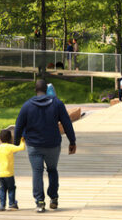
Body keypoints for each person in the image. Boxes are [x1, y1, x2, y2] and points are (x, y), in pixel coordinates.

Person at [11, 79, 77, 212]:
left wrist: (16, 142)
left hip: (34, 145)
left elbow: (18, 126)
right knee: (52, 170)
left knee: (37, 172)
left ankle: (40, 202)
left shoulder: (27, 106)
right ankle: (54, 198)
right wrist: (72, 141)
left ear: (35, 90)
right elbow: (67, 123)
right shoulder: (57, 103)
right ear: (46, 90)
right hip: (53, 144)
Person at [0, 128, 21, 211]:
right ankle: (12, 203)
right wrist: (22, 139)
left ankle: (2, 205)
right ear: (10, 138)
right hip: (8, 173)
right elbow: (21, 147)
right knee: (11, 188)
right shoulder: (9, 147)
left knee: (2, 188)